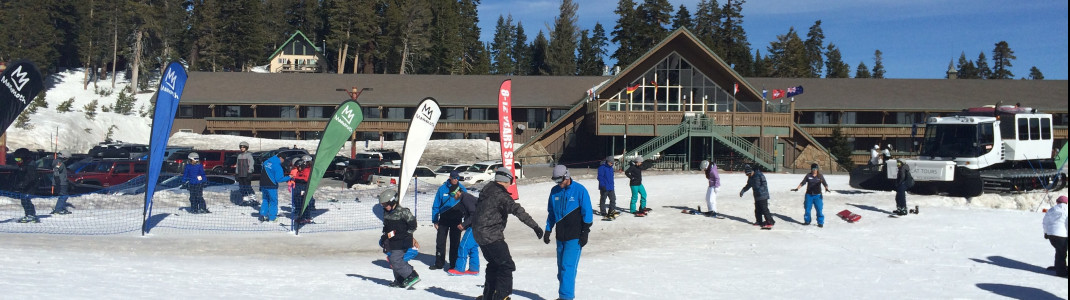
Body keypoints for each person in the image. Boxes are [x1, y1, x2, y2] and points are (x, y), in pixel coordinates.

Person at [473, 167, 544, 300]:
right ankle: (501, 297)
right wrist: (535, 226)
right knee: (506, 265)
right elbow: (517, 210)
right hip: (491, 235)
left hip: (479, 234)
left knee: (494, 264)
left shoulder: (487, 189)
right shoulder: (501, 195)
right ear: (507, 180)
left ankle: (488, 296)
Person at [543, 165, 593, 300]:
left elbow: (587, 212)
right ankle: (563, 296)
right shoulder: (554, 192)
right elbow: (552, 213)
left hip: (575, 237)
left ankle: (566, 297)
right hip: (560, 236)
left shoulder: (579, 190)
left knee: (567, 268)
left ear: (567, 176)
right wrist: (548, 229)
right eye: (555, 181)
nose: (558, 184)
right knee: (561, 270)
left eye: (559, 181)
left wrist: (585, 232)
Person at [379, 190, 421, 288]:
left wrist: (407, 235)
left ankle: (411, 275)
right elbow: (387, 227)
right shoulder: (386, 212)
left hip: (403, 241)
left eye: (386, 204)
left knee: (395, 259)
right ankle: (400, 279)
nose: (385, 207)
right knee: (392, 258)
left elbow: (413, 225)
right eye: (383, 205)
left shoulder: (403, 212)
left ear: (393, 201)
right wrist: (385, 236)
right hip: (392, 240)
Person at [431, 170, 467, 270]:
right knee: (440, 242)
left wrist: (466, 221)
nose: (455, 180)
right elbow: (436, 205)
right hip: (444, 218)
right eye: (454, 178)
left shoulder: (462, 189)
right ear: (450, 177)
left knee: (455, 242)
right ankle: (439, 263)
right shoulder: (442, 189)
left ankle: (453, 264)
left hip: (456, 218)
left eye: (457, 178)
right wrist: (435, 220)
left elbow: (466, 204)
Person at [447, 186, 480, 276]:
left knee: (463, 246)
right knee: (473, 247)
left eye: (452, 194)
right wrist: (465, 226)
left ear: (457, 192)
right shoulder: (465, 198)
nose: (452, 197)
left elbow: (474, 214)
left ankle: (459, 269)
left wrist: (463, 224)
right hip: (478, 226)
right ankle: (474, 269)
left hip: (476, 226)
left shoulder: (466, 198)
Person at [792, 163, 830, 227]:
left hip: (818, 196)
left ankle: (820, 222)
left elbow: (825, 183)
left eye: (816, 169)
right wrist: (797, 188)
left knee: (819, 209)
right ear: (811, 169)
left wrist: (826, 188)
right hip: (809, 195)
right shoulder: (808, 175)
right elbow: (803, 182)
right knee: (807, 209)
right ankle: (807, 221)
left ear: (817, 169)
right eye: (813, 169)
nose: (815, 170)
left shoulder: (820, 176)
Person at [258, 152, 291, 222]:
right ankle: (272, 218)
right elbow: (279, 179)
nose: (283, 161)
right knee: (273, 201)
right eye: (283, 159)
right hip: (271, 186)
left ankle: (262, 215)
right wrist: (289, 177)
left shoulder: (266, 162)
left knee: (265, 200)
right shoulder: (277, 166)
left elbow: (262, 172)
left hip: (263, 184)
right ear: (281, 158)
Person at [740, 164, 774, 229]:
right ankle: (759, 221)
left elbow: (764, 183)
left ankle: (770, 222)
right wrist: (743, 190)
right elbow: (748, 185)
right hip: (756, 195)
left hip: (763, 195)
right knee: (757, 209)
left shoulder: (759, 174)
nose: (748, 175)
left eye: (749, 174)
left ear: (752, 171)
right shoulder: (750, 177)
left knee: (764, 209)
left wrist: (760, 190)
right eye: (747, 175)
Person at [1042, 195, 1068, 278]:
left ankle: (1059, 267)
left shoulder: (1052, 209)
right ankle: (1061, 272)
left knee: (1059, 251)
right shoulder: (1067, 209)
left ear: (1057, 202)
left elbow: (1045, 222)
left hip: (1051, 234)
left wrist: (1046, 233)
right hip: (1062, 234)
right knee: (1061, 252)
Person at [14, 155, 41, 223]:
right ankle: (30, 214)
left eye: (18, 159)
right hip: (26, 187)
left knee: (25, 200)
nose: (17, 161)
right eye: (16, 159)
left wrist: (23, 184)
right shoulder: (23, 166)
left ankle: (30, 214)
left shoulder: (29, 167)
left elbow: (31, 178)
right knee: (25, 200)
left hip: (30, 187)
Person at [291, 155, 315, 224]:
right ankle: (300, 216)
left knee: (303, 202)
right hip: (298, 187)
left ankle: (306, 217)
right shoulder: (301, 169)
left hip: (303, 187)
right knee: (298, 202)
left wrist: (298, 179)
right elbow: (297, 176)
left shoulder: (308, 170)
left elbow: (306, 178)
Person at [596, 156, 619, 220]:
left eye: (612, 163)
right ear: (607, 162)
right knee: (603, 199)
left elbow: (611, 178)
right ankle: (603, 212)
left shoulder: (611, 168)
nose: (612, 164)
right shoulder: (602, 167)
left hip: (611, 187)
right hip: (604, 187)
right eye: (611, 163)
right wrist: (603, 185)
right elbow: (600, 177)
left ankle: (611, 211)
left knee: (613, 199)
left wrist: (612, 185)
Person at [51, 151, 72, 215]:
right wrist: (57, 179)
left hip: (60, 182)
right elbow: (56, 170)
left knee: (63, 195)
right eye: (67, 158)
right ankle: (58, 209)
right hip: (61, 183)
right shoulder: (60, 163)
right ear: (64, 157)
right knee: (64, 196)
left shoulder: (57, 162)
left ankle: (59, 208)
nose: (67, 160)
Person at [235, 141, 256, 206]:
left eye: (243, 147)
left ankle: (253, 199)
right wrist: (236, 173)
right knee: (242, 187)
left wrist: (250, 172)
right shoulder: (239, 156)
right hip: (240, 174)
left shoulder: (249, 155)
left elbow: (251, 164)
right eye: (241, 147)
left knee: (248, 187)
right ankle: (245, 199)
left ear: (246, 148)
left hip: (246, 174)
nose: (242, 148)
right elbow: (237, 165)